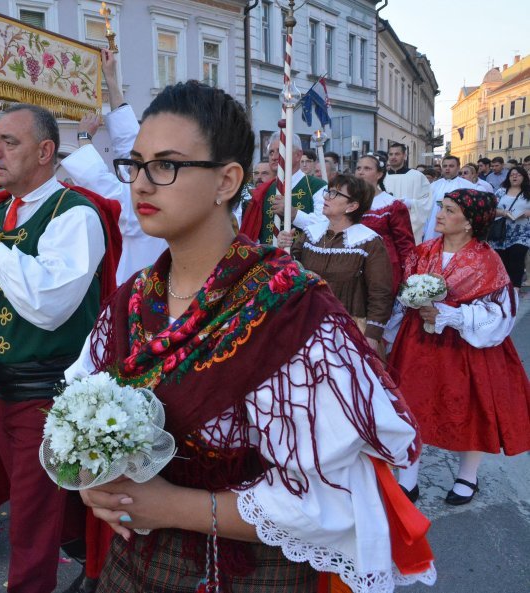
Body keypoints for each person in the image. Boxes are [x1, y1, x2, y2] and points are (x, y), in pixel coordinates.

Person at [68, 81, 433, 592]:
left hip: (254, 572)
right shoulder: (131, 301)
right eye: (135, 164)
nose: (142, 185)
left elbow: (334, 498)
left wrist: (173, 505)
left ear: (227, 181)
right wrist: (94, 482)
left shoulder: (293, 312)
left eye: (166, 165)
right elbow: (78, 410)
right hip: (136, 566)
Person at [0, 103, 109, 593]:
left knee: (33, 522)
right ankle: (100, 566)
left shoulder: (76, 215)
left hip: (49, 394)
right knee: (49, 507)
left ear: (44, 151)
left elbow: (49, 305)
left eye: (8, 142)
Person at [387, 188, 530, 505]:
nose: (440, 214)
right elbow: (403, 294)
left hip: (465, 347)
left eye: (449, 210)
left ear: (468, 223)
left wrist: (453, 315)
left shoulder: (487, 261)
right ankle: (408, 478)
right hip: (418, 342)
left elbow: (502, 312)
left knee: (471, 409)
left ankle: (468, 477)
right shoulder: (423, 251)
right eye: (442, 207)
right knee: (411, 406)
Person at [59, 49, 166, 284]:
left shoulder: (146, 198)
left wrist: (85, 138)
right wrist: (111, 79)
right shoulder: (156, 179)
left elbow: (101, 184)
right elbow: (129, 143)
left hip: (135, 287)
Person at [279, 174, 394, 350]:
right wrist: (283, 248)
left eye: (335, 194)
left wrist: (372, 334)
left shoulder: (368, 241)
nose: (326, 197)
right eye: (328, 191)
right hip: (306, 324)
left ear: (352, 206)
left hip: (349, 330)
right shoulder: (311, 235)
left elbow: (380, 293)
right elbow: (291, 275)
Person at [239, 133, 327, 244]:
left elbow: (324, 225)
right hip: (269, 259)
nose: (274, 157)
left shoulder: (317, 186)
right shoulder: (264, 190)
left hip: (304, 258)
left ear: (298, 155)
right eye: (271, 152)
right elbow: (254, 235)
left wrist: (294, 214)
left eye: (280, 151)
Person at [355, 153, 415, 291]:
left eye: (367, 168)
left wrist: (409, 274)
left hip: (383, 265)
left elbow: (405, 243)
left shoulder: (391, 205)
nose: (361, 172)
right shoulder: (347, 201)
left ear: (379, 174)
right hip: (353, 265)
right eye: (358, 168)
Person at [489, 166, 530, 288]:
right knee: (503, 263)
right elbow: (491, 209)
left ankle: (515, 289)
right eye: (512, 174)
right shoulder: (501, 191)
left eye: (518, 174)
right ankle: (504, 289)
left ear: (524, 177)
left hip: (522, 234)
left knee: (517, 260)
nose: (515, 176)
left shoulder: (528, 192)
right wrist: (502, 213)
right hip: (501, 233)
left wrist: (527, 213)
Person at [385, 143, 433, 243]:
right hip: (386, 231)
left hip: (410, 231)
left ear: (404, 156)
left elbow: (428, 201)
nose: (393, 157)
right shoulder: (381, 178)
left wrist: (411, 203)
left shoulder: (417, 177)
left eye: (397, 154)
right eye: (391, 154)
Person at [421, 155, 475, 242]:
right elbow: (425, 208)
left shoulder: (468, 186)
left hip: (457, 228)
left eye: (451, 166)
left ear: (458, 168)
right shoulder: (433, 186)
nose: (447, 169)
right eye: (445, 166)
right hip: (434, 227)